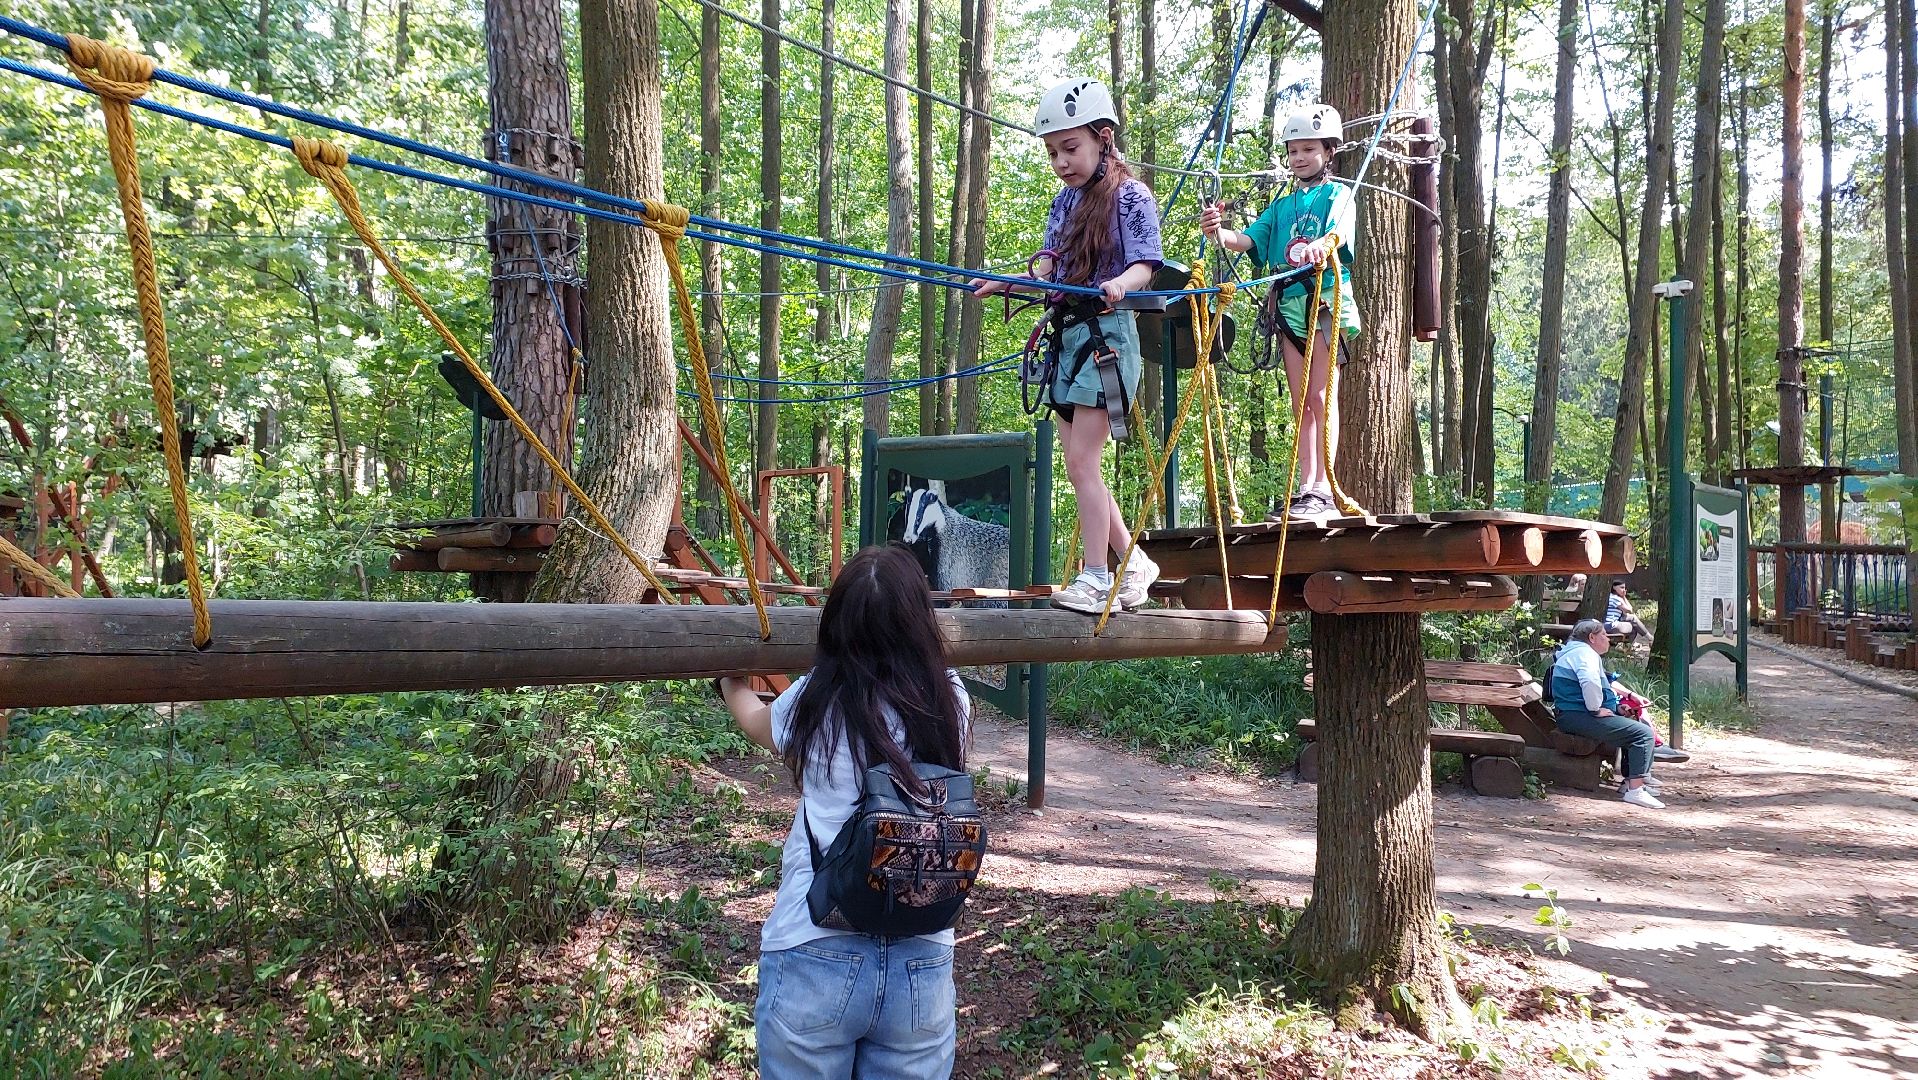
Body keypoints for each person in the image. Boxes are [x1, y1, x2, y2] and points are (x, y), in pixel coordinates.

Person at [715, 545, 972, 1077]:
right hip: (921, 955)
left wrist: (730, 684)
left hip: (814, 944)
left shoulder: (820, 698)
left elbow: (762, 726)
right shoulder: (951, 700)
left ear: (834, 626)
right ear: (922, 623)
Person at [970, 77, 1162, 615]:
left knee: (1082, 462)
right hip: (1068, 338)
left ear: (1104, 138)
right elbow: (1050, 268)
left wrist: (1123, 283)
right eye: (1053, 152)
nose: (1060, 161)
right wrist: (1009, 282)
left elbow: (1146, 264)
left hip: (1108, 336)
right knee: (1084, 465)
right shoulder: (1064, 203)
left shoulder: (1131, 196)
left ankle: (1098, 576)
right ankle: (1134, 563)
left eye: (1070, 148)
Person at [1199, 103, 1360, 521]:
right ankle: (1308, 486)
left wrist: (1322, 245)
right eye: (1293, 151)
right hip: (1288, 306)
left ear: (1329, 151)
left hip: (1323, 302)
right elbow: (1247, 241)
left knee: (1324, 397)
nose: (1299, 158)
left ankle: (1324, 486)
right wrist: (1219, 232)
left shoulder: (1337, 194)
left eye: (1308, 149)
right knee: (1302, 400)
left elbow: (1339, 230)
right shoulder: (1283, 205)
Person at [1551, 619, 1663, 809]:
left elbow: (1595, 686)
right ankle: (1635, 792)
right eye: (1604, 634)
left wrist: (1617, 708)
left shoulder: (1578, 652)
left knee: (1638, 726)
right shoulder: (1584, 654)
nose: (1608, 639)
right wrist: (1595, 709)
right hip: (1577, 716)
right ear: (1592, 637)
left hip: (1574, 714)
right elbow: (1589, 682)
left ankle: (1630, 783)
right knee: (1642, 734)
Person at [1605, 580, 1653, 647]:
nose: (1624, 590)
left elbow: (1630, 610)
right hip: (1612, 625)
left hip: (1609, 625)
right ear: (1614, 587)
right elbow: (1629, 610)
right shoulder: (1615, 598)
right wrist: (1624, 597)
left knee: (1633, 620)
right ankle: (1649, 639)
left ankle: (1626, 646)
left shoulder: (1611, 597)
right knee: (1634, 625)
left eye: (1624, 588)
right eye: (1621, 588)